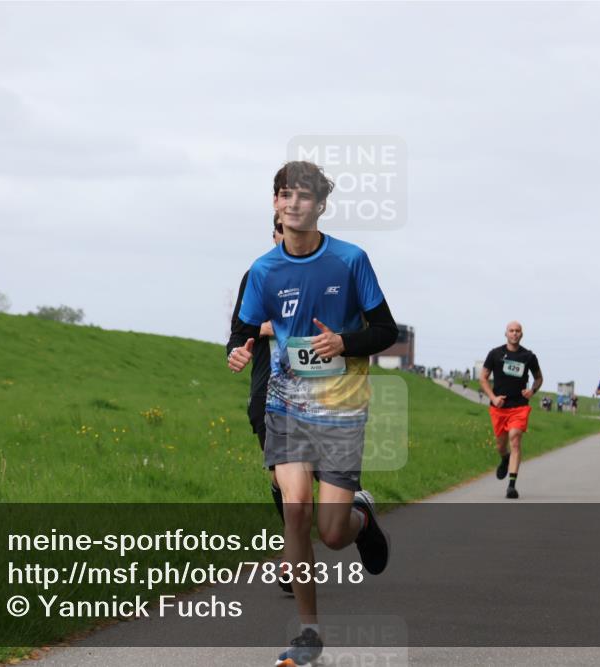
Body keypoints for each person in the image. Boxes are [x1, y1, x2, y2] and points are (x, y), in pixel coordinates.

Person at [226, 161, 398, 666]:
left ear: (321, 205)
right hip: (286, 405)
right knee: (295, 506)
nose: (293, 203)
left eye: (304, 196)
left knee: (332, 533)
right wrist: (238, 349)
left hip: (340, 409)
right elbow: (242, 329)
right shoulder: (263, 270)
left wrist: (344, 342)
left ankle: (361, 521)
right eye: (285, 195)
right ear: (275, 204)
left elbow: (386, 330)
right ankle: (308, 635)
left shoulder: (350, 260)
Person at [227, 216, 290, 593]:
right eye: (283, 227)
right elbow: (238, 333)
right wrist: (238, 351)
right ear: (274, 234)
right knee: (282, 477)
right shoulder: (257, 275)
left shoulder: (329, 273)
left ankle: (356, 513)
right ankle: (294, 553)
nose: (290, 233)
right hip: (269, 392)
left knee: (326, 484)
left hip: (321, 395)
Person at [480, 321, 543, 499]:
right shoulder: (495, 354)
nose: (514, 333)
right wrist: (493, 398)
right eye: (511, 331)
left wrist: (532, 390)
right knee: (501, 445)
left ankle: (511, 486)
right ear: (506, 333)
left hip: (519, 406)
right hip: (499, 407)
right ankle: (504, 458)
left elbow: (538, 378)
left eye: (517, 331)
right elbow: (483, 378)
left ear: (521, 334)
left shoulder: (528, 356)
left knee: (515, 438)